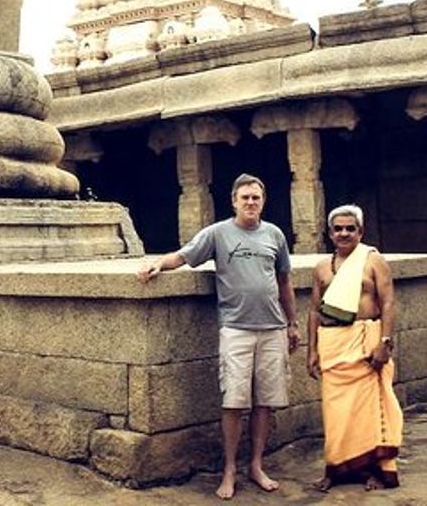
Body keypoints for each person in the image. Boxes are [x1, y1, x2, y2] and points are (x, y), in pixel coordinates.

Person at [137, 173, 299, 499]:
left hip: (272, 328)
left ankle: (256, 465)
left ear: (263, 201)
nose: (251, 202)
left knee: (265, 402)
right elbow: (184, 255)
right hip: (236, 328)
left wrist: (292, 323)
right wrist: (158, 265)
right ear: (234, 201)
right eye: (245, 197)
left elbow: (284, 282)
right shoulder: (218, 233)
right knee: (234, 401)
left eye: (256, 197)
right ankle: (229, 469)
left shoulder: (275, 235)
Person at [307, 204, 404, 491]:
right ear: (330, 233)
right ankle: (336, 469)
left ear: (360, 232)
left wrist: (384, 343)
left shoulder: (373, 260)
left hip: (365, 343)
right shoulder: (321, 268)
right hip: (333, 345)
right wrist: (311, 350)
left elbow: (388, 302)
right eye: (338, 229)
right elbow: (314, 310)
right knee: (335, 412)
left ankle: (375, 470)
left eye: (350, 228)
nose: (344, 233)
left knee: (369, 410)